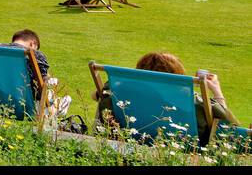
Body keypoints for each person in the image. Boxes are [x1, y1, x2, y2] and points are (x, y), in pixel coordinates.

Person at [96, 52, 240, 145]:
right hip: (182, 156)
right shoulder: (196, 105)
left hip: (126, 148)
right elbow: (232, 129)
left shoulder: (116, 95)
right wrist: (217, 91)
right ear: (177, 77)